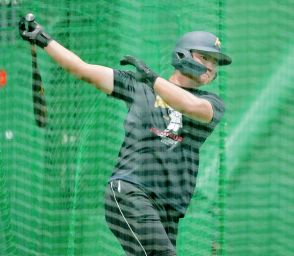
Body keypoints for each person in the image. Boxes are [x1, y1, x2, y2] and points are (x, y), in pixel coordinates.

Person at [19, 15, 232, 256]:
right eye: (205, 57)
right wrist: (43, 39)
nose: (211, 66)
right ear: (182, 54)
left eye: (215, 62)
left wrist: (153, 79)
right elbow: (82, 69)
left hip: (169, 206)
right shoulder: (137, 86)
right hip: (131, 192)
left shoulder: (210, 102)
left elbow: (191, 107)